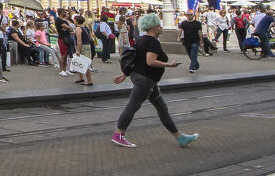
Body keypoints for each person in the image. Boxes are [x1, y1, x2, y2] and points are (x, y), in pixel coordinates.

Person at [111, 13, 199, 148]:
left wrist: (124, 74)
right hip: (145, 80)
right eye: (159, 25)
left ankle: (180, 137)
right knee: (133, 105)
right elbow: (150, 62)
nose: (161, 27)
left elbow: (136, 60)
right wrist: (169, 65)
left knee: (162, 108)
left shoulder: (141, 39)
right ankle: (118, 134)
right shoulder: (152, 42)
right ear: (152, 27)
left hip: (147, 80)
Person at [72, 15, 93, 86]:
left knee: (84, 63)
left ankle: (89, 80)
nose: (74, 21)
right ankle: (80, 77)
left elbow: (79, 40)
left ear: (77, 21)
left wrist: (78, 49)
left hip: (82, 46)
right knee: (80, 61)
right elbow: (90, 38)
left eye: (74, 20)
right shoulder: (86, 28)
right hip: (88, 45)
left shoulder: (78, 28)